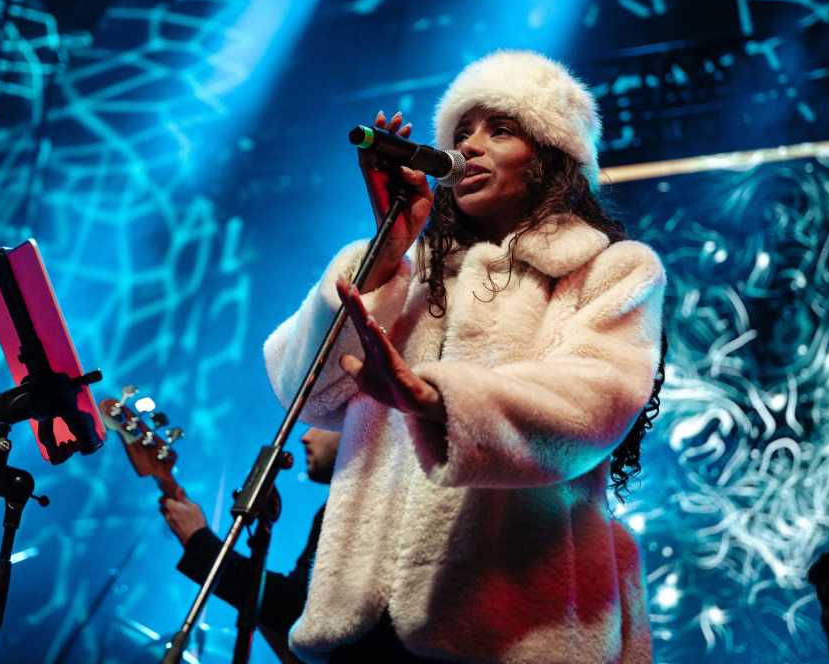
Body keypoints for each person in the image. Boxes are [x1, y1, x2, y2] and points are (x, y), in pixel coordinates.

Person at [263, 50, 666, 663]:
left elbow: (595, 399)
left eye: (499, 129)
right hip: (364, 627)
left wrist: (436, 398)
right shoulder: (412, 277)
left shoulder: (609, 269)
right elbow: (308, 394)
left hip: (511, 627)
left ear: (553, 155)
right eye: (460, 134)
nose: (469, 147)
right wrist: (385, 251)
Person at [159, 426, 342, 657]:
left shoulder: (358, 508)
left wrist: (198, 540)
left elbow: (298, 609)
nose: (304, 436)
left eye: (322, 424)